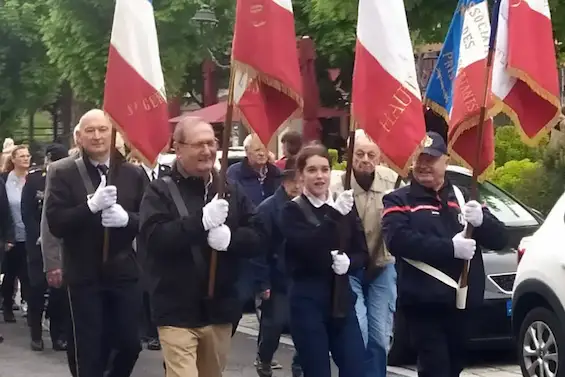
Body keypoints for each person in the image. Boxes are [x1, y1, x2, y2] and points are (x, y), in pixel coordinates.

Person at [139, 117, 263, 377]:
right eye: (198, 144)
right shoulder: (159, 191)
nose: (206, 151)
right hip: (176, 309)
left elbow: (259, 237)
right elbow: (155, 239)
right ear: (178, 148)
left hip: (220, 308)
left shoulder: (230, 190)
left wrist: (231, 238)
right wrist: (200, 222)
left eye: (211, 143)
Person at [381, 131, 508, 377]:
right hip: (423, 304)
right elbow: (397, 240)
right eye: (419, 158)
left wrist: (483, 222)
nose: (423, 165)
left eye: (430, 158)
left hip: (461, 304)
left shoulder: (463, 197)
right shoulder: (398, 199)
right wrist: (450, 248)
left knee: (454, 367)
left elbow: (500, 240)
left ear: (445, 161)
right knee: (435, 369)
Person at [45, 109, 145, 377]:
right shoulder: (62, 171)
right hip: (83, 273)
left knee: (129, 344)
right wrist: (89, 207)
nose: (97, 136)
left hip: (123, 271)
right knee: (88, 350)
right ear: (79, 137)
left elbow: (149, 220)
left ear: (114, 134)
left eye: (103, 129)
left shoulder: (132, 174)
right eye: (90, 130)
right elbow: (56, 222)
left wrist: (128, 220)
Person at [280, 143, 368, 377]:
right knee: (317, 371)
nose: (320, 176)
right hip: (308, 301)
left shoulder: (345, 205)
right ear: (301, 175)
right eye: (312, 170)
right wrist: (334, 215)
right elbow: (307, 247)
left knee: (356, 368)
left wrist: (350, 262)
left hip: (341, 299)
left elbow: (362, 251)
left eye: (324, 169)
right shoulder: (292, 211)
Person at [330, 129, 400, 376]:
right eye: (359, 154)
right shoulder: (336, 185)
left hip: (383, 265)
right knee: (357, 331)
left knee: (379, 336)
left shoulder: (393, 181)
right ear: (349, 156)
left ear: (379, 157)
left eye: (371, 154)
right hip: (350, 268)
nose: (365, 159)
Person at [226, 133, 282, 336]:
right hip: (246, 248)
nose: (261, 153)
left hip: (271, 246)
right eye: (257, 149)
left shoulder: (276, 174)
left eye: (264, 149)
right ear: (247, 152)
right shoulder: (234, 174)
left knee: (272, 306)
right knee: (238, 299)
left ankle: (264, 353)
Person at [254, 157, 303, 377]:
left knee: (304, 328)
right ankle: (264, 359)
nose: (296, 184)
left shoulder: (307, 205)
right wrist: (263, 282)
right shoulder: (268, 208)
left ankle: (300, 368)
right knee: (273, 326)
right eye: (292, 180)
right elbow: (260, 249)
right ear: (283, 181)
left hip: (301, 277)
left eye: (299, 179)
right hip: (277, 278)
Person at [21, 143, 69, 352]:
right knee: (37, 289)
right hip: (37, 245)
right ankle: (36, 335)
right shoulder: (33, 180)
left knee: (59, 292)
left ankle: (58, 335)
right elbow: (27, 212)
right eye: (52, 160)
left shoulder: (68, 180)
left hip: (61, 245)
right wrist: (39, 235)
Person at [135, 151, 171, 351]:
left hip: (165, 232)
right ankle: (148, 330)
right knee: (145, 283)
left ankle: (160, 328)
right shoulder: (135, 173)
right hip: (142, 235)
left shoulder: (167, 172)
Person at [1, 144, 31, 322]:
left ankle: (29, 305)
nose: (25, 159)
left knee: (28, 273)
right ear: (13, 159)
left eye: (27, 156)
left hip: (30, 233)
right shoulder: (5, 180)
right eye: (21, 156)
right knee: (11, 272)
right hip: (13, 233)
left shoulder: (33, 179)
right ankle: (7, 305)